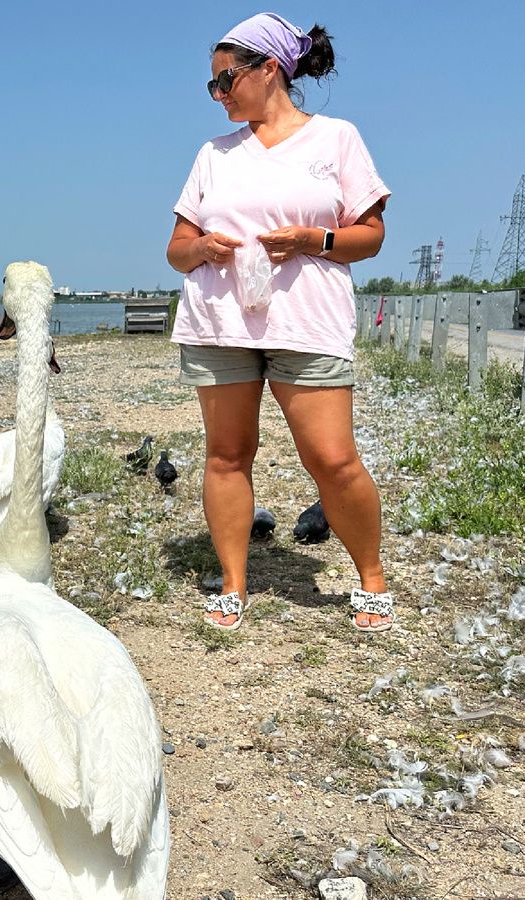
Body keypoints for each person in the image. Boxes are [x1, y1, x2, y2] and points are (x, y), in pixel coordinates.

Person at [165, 13, 392, 633]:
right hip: (220, 322)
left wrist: (314, 238)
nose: (219, 95)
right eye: (212, 86)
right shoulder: (213, 155)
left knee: (333, 459)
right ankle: (234, 582)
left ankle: (370, 575)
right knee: (228, 455)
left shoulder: (336, 139)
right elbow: (176, 248)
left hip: (307, 322)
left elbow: (369, 236)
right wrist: (203, 249)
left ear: (270, 69)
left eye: (226, 80)